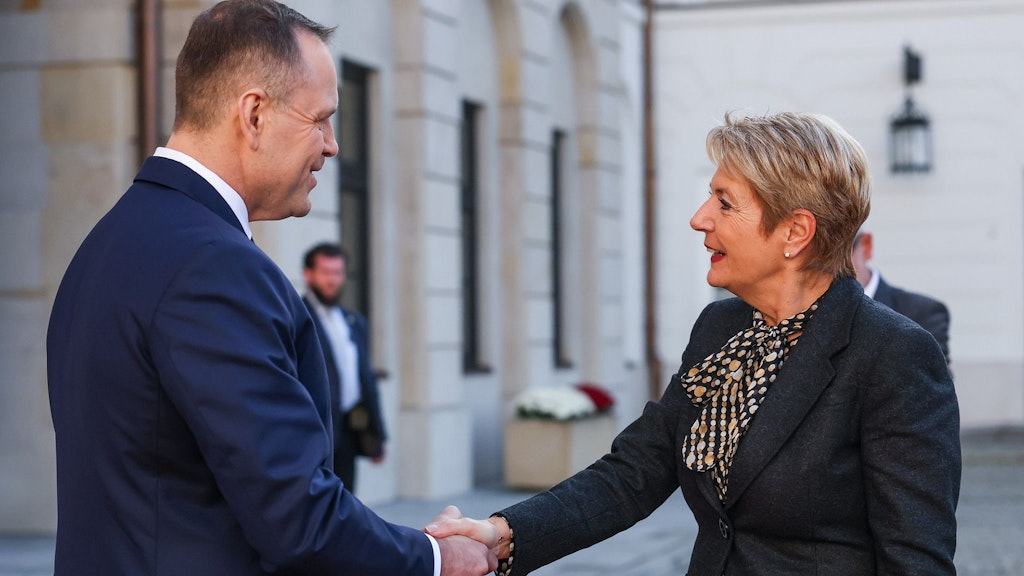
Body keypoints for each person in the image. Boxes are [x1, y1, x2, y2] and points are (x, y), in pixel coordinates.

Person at [45, 1, 494, 575]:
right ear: (253, 114)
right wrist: (437, 557)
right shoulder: (211, 265)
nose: (332, 145)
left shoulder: (112, 240)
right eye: (320, 119)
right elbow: (297, 518)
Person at [426, 112, 961, 575]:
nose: (699, 218)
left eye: (724, 203)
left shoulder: (893, 354)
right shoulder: (721, 329)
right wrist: (501, 533)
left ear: (795, 232)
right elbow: (633, 474)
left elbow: (916, 560)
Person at [302, 242, 386, 492]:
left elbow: (366, 379)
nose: (333, 280)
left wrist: (377, 434)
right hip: (314, 431)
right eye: (326, 272)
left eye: (338, 273)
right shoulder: (296, 316)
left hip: (349, 430)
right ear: (309, 274)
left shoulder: (353, 320)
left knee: (347, 499)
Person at [851, 229, 951, 362]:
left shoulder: (921, 313)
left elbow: (936, 379)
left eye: (838, 251)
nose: (827, 265)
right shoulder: (817, 309)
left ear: (866, 246)